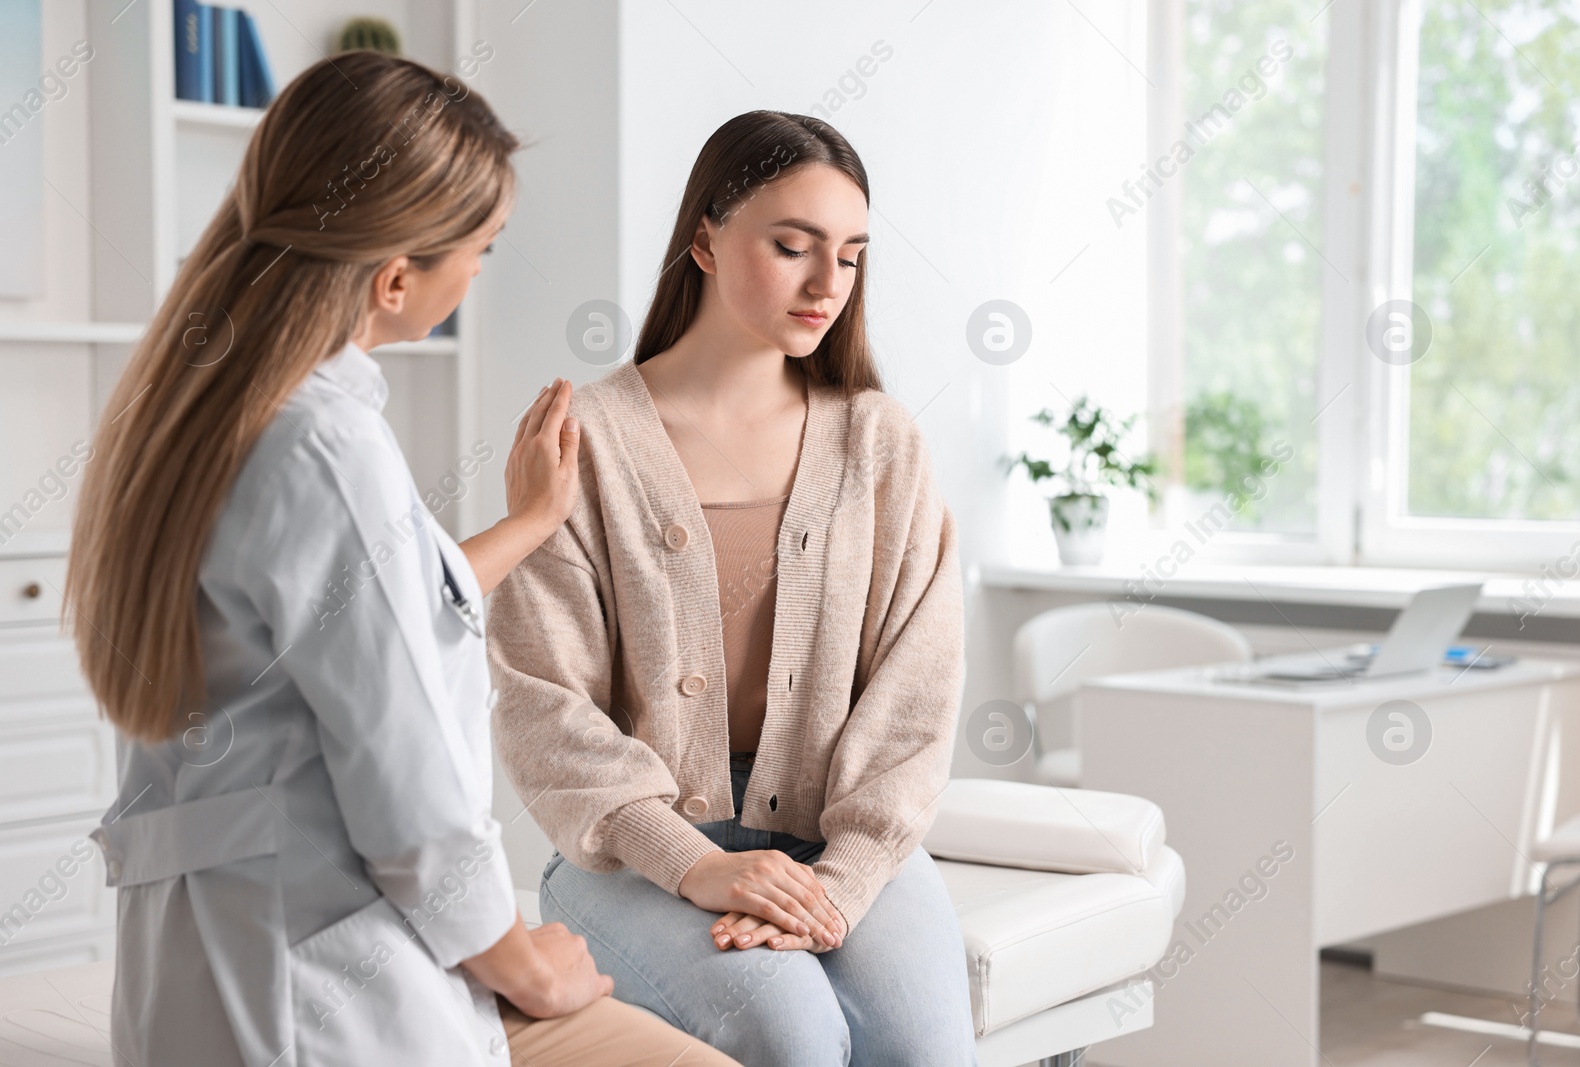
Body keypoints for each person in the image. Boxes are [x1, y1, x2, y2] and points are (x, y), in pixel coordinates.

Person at [65, 51, 738, 1067]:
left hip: (208, 975)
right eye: (484, 248)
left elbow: (348, 623)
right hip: (326, 996)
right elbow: (405, 781)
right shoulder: (327, 447)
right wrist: (524, 958)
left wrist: (527, 521)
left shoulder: (203, 412)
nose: (477, 275)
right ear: (392, 278)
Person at [488, 110, 977, 1066]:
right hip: (633, 844)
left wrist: (843, 879)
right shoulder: (585, 441)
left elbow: (920, 689)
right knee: (788, 1030)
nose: (826, 284)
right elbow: (543, 703)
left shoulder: (879, 441)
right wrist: (698, 861)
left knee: (924, 1047)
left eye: (851, 255)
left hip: (839, 825)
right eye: (792, 246)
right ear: (704, 239)